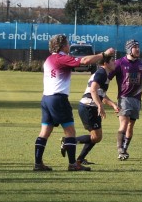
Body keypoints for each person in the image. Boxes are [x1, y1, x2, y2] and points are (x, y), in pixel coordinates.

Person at [33, 34, 115, 171]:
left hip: (46, 98)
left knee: (44, 132)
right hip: (58, 99)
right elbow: (84, 61)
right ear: (62, 46)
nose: (69, 46)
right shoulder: (61, 58)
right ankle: (72, 165)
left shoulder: (49, 59)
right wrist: (103, 54)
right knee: (70, 132)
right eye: (67, 43)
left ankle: (37, 163)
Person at [71, 52, 121, 166]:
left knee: (96, 137)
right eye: (112, 61)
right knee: (96, 137)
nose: (114, 63)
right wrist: (99, 105)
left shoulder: (105, 74)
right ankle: (68, 141)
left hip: (90, 107)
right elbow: (93, 90)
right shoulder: (101, 72)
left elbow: (101, 94)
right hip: (88, 106)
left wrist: (112, 104)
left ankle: (79, 159)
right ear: (105, 63)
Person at [112, 39, 142, 161]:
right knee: (124, 124)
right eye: (135, 47)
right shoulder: (119, 63)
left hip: (137, 99)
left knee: (131, 126)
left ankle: (125, 149)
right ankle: (120, 149)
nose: (138, 49)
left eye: (138, 47)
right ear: (129, 49)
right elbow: (108, 74)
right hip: (124, 98)